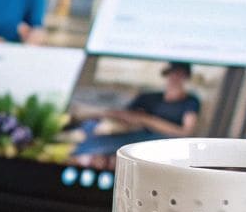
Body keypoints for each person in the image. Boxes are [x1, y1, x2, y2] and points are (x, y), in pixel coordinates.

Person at [72, 62, 203, 165]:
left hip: (163, 142)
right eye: (172, 73)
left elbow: (185, 132)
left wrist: (147, 120)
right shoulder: (150, 97)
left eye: (179, 74)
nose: (175, 78)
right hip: (136, 134)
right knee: (92, 131)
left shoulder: (191, 101)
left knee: (108, 145)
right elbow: (127, 115)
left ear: (186, 76)